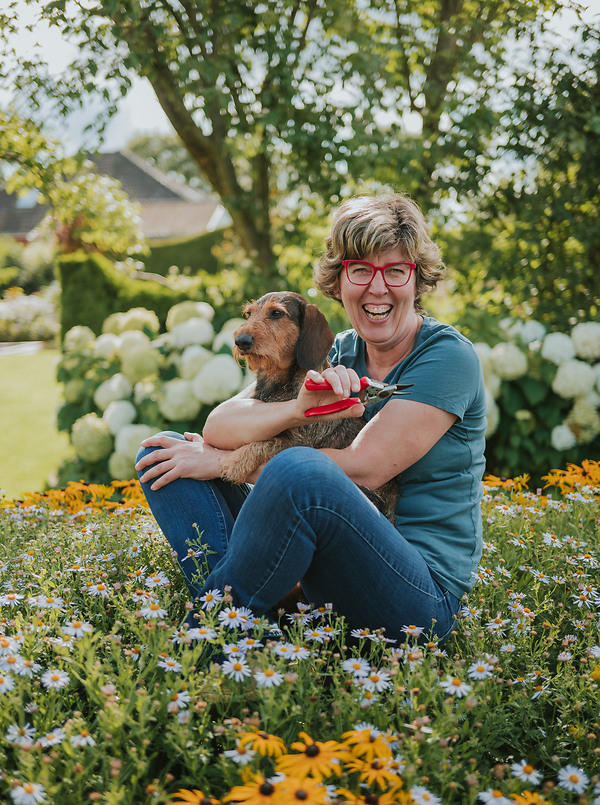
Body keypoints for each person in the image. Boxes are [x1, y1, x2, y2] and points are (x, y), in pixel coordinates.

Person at [135, 193, 486, 644]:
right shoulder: (336, 350)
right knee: (165, 452)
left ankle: (210, 640)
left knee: (299, 468)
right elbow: (219, 426)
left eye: (396, 271)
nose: (377, 288)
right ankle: (253, 629)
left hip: (417, 597)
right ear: (339, 281)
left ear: (417, 280)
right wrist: (293, 411)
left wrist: (225, 464)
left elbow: (367, 467)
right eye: (360, 270)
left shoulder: (446, 357)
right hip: (328, 569)